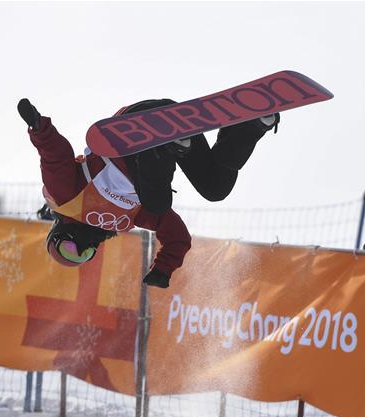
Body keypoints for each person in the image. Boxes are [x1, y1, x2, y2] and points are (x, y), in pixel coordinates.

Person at [18, 97, 279, 288]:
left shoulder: (66, 199)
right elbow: (177, 236)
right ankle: (251, 125)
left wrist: (39, 128)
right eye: (84, 254)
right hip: (169, 129)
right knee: (215, 188)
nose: (83, 247)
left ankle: (165, 145)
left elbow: (55, 158)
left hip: (129, 131)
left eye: (70, 248)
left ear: (59, 233)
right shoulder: (128, 220)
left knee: (158, 202)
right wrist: (164, 268)